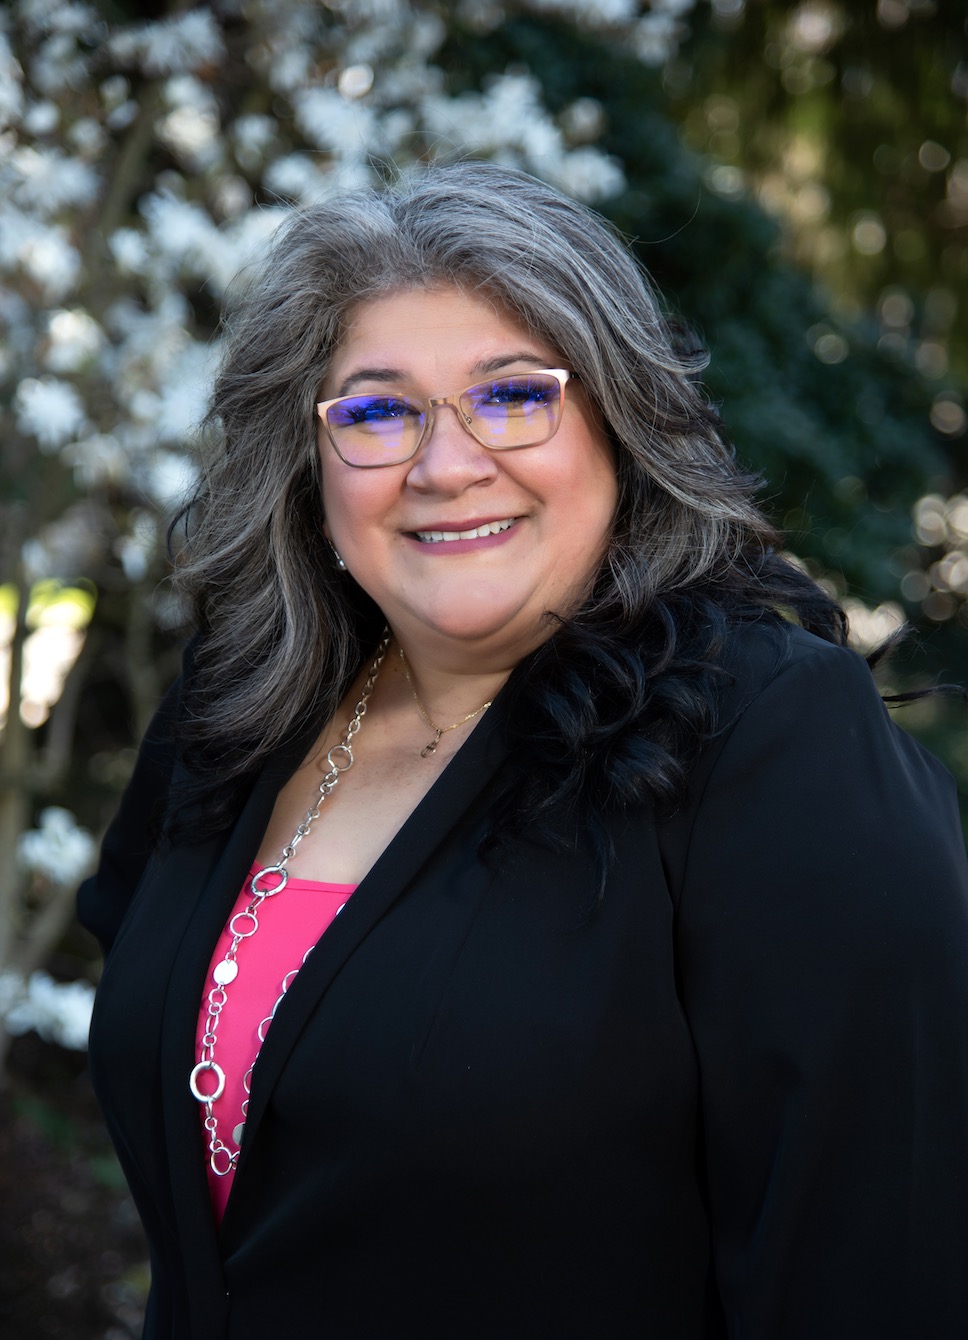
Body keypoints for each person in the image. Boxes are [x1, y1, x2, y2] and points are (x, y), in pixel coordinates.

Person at [78, 161, 968, 1340]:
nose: (445, 465)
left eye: (511, 396)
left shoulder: (764, 732)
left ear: (618, 418)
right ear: (310, 462)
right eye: (377, 410)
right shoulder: (240, 706)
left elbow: (872, 1265)